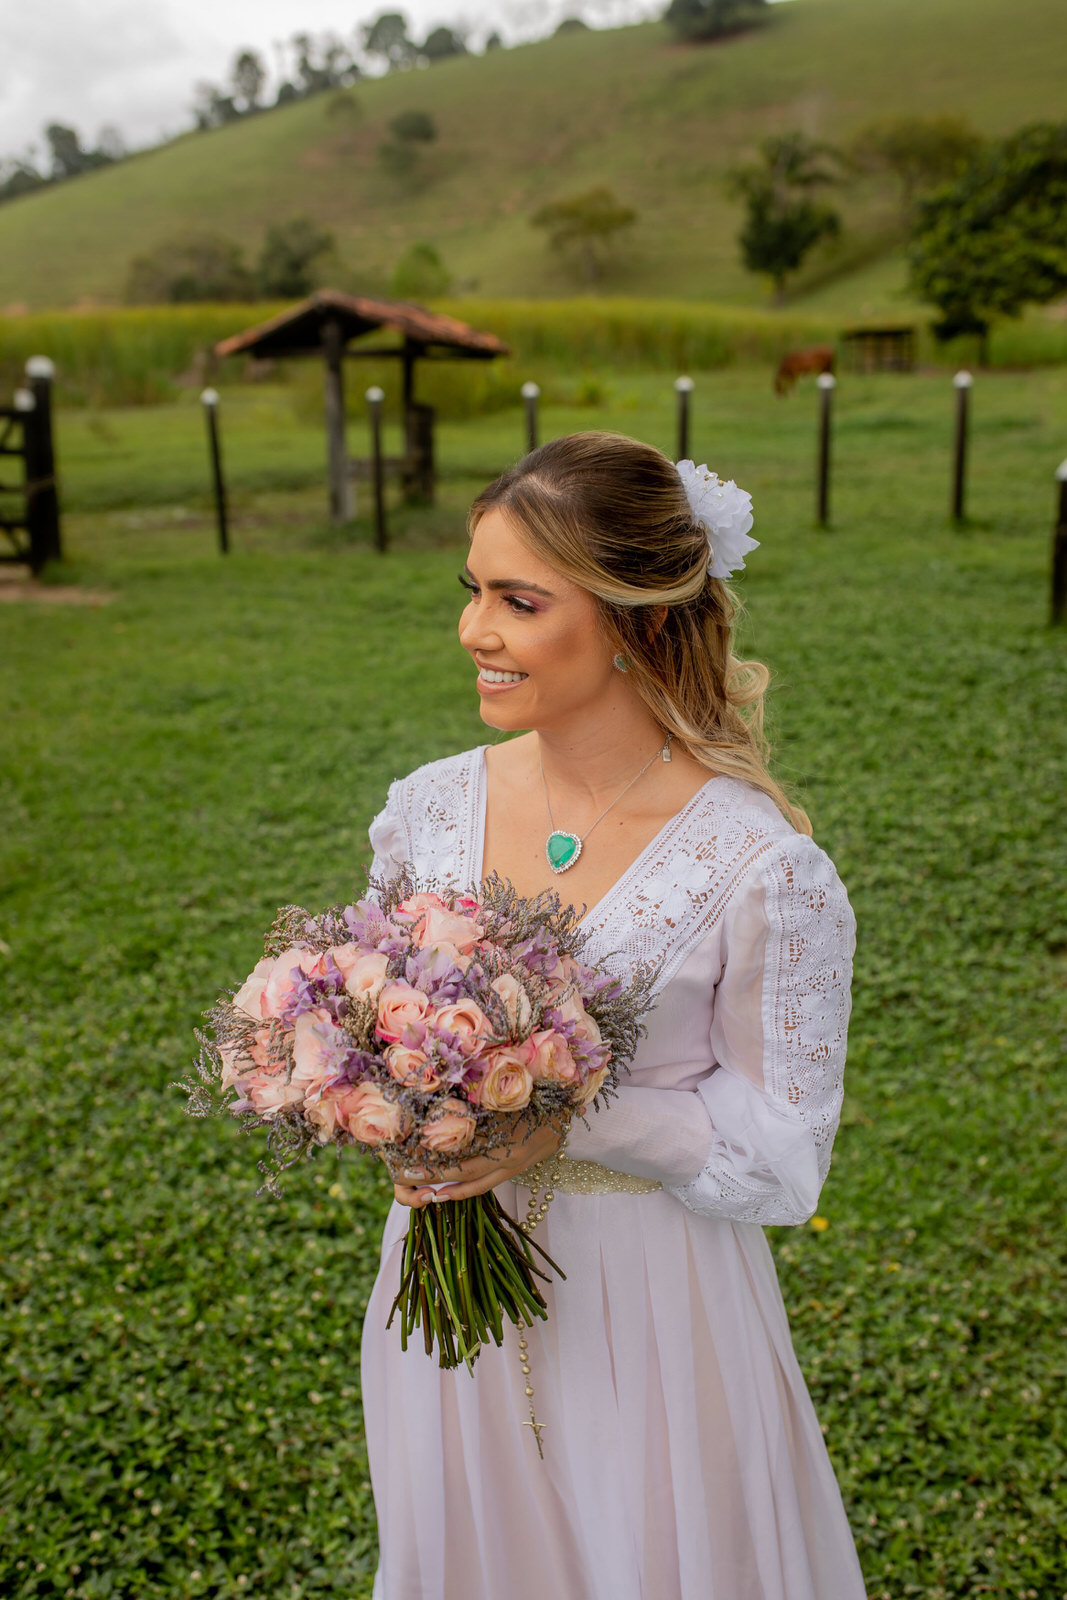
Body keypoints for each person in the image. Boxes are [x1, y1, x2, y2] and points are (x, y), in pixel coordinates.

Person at [359, 431, 867, 1600]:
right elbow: (381, 1009)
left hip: (650, 1305)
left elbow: (783, 1158)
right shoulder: (427, 811)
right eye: (472, 591)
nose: (473, 631)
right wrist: (382, 1099)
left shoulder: (758, 865)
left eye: (517, 601)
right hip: (445, 1293)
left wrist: (563, 1126)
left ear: (635, 620)